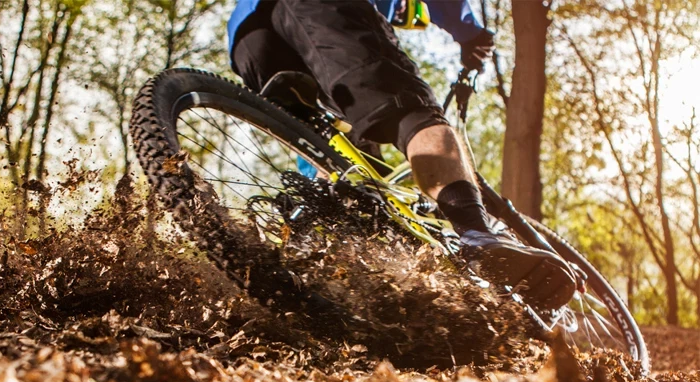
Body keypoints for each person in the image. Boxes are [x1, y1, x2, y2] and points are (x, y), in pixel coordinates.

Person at [227, 0, 576, 309]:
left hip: (248, 39)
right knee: (411, 111)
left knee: (333, 158)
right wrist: (469, 33)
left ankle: (315, 264)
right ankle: (476, 235)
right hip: (322, 9)